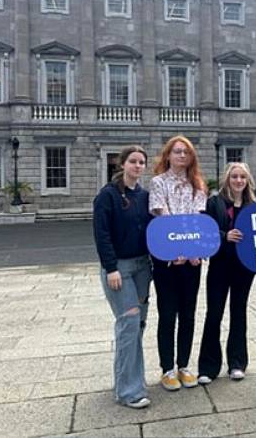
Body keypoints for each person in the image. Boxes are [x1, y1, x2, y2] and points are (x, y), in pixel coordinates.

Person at [93, 145, 153, 409]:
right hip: (119, 268)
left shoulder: (144, 196)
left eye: (141, 162)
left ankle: (130, 380)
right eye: (133, 161)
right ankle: (128, 391)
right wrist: (111, 268)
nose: (138, 166)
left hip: (143, 267)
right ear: (122, 164)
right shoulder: (108, 195)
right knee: (128, 324)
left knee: (137, 326)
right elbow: (101, 234)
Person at [148, 135, 208, 391]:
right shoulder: (158, 182)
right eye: (177, 152)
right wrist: (176, 250)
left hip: (192, 260)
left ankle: (183, 365)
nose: (182, 156)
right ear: (168, 155)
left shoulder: (198, 185)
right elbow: (163, 217)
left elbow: (198, 220)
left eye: (186, 152)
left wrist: (193, 251)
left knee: (188, 313)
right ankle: (167, 369)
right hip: (167, 259)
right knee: (167, 314)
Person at [197, 162, 256, 384]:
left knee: (238, 313)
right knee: (214, 313)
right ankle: (208, 367)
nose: (239, 181)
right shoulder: (214, 202)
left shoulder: (253, 205)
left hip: (244, 267)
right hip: (220, 265)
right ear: (227, 179)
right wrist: (225, 236)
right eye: (234, 177)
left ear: (247, 180)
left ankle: (237, 363)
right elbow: (206, 231)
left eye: (242, 177)